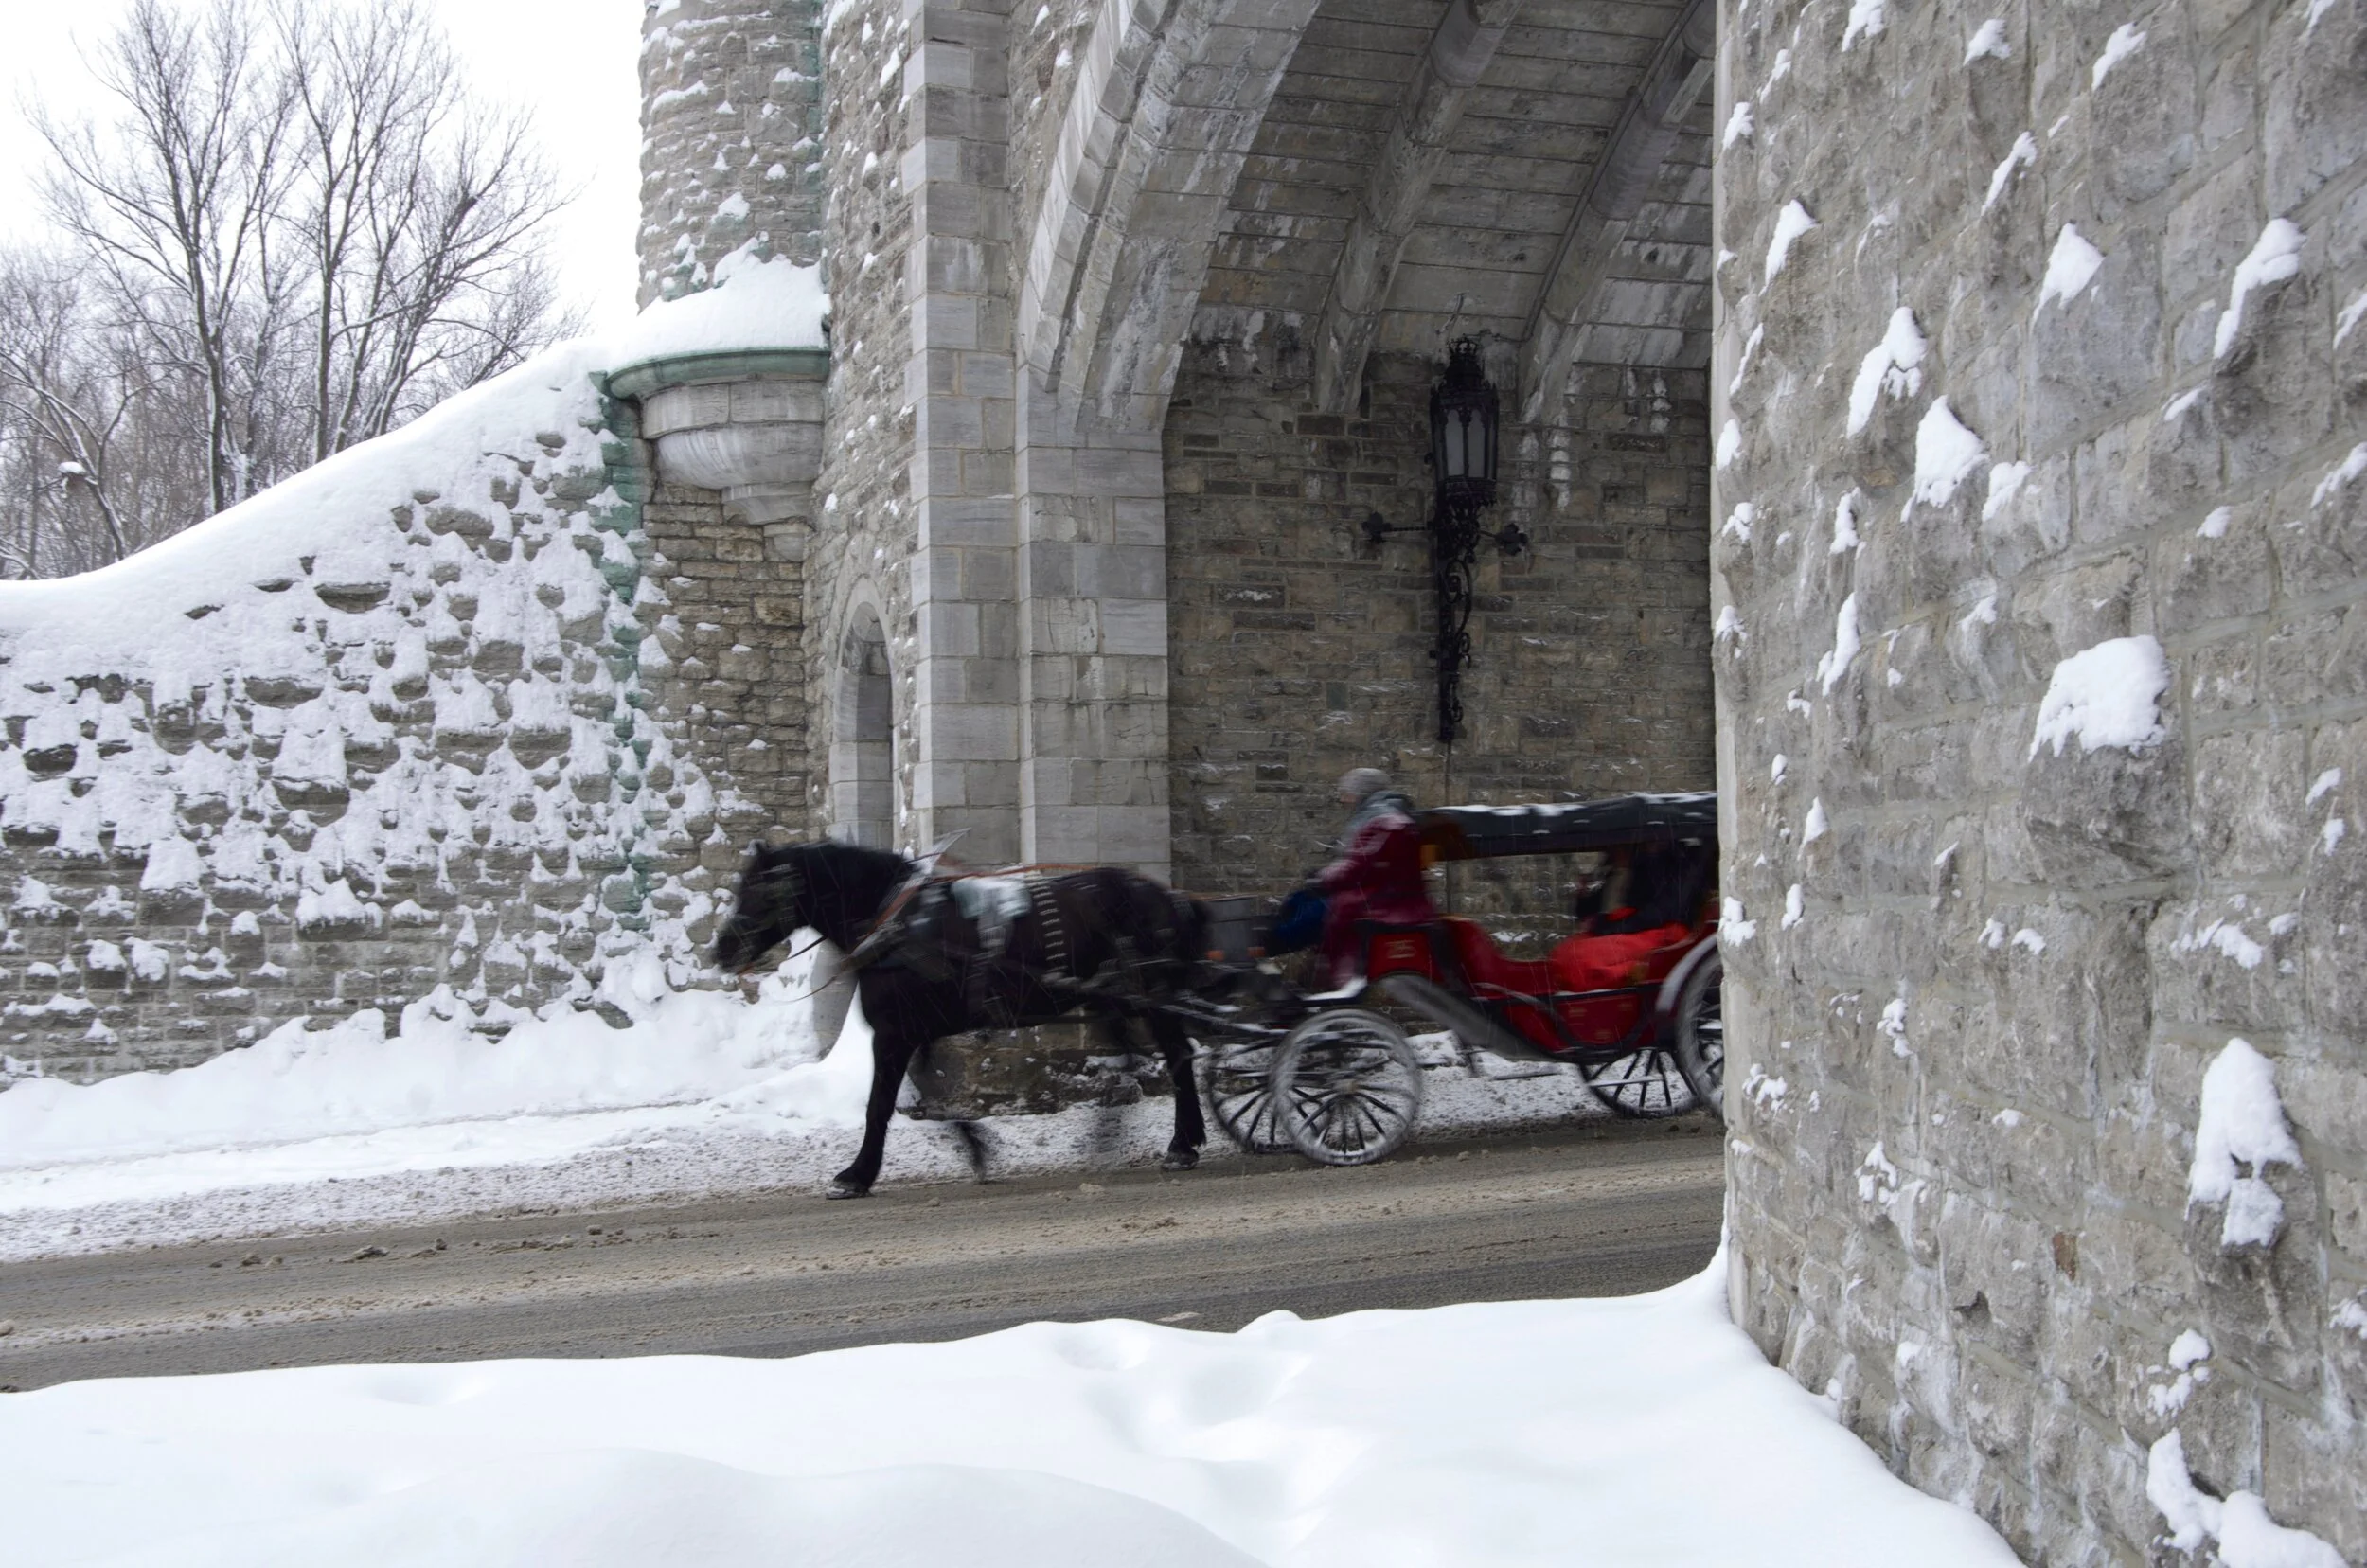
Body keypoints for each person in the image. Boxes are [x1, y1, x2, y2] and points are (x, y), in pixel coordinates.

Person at [1312, 768, 1436, 987]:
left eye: (1347, 792)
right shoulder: (1383, 815)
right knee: (1312, 905)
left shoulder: (1380, 819)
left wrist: (1324, 878)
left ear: (1361, 792)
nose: (1343, 799)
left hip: (1388, 899)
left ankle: (1336, 973)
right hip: (1390, 892)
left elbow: (1360, 863)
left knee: (1324, 909)